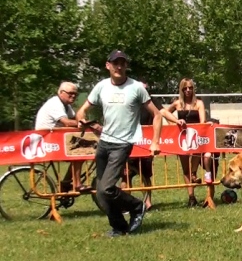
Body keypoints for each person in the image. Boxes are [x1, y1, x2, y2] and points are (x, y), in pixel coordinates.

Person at [76, 50, 162, 237]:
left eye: (123, 63)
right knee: (100, 193)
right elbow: (82, 110)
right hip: (104, 142)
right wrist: (82, 119)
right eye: (116, 63)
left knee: (106, 188)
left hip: (123, 144)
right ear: (108, 65)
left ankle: (137, 206)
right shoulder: (101, 87)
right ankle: (119, 227)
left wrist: (155, 141)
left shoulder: (136, 88)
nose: (119, 66)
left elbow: (157, 115)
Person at [121, 81, 186, 212]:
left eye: (146, 89)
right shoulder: (129, 99)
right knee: (126, 174)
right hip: (129, 142)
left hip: (146, 143)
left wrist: (176, 121)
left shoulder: (151, 100)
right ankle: (126, 204)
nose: (144, 92)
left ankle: (148, 202)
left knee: (146, 174)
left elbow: (162, 112)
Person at [35, 82, 91, 192]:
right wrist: (84, 124)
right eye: (70, 93)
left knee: (80, 151)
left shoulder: (66, 105)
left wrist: (85, 122)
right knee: (79, 152)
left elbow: (75, 118)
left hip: (54, 137)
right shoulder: (55, 103)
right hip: (47, 139)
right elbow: (67, 122)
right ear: (61, 92)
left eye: (75, 94)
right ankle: (76, 184)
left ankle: (66, 183)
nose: (73, 96)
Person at [167, 78, 207, 207]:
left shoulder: (199, 103)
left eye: (190, 87)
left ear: (193, 89)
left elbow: (202, 122)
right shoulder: (177, 103)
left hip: (195, 139)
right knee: (185, 169)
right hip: (182, 139)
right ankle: (191, 197)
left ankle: (194, 174)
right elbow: (164, 112)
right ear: (181, 90)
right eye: (185, 88)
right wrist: (173, 124)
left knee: (193, 164)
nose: (188, 90)